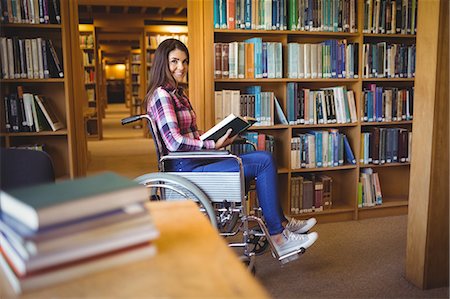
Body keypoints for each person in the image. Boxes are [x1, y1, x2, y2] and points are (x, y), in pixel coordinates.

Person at [145, 38, 318, 257]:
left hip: (197, 159)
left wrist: (218, 138)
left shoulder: (178, 94)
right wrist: (212, 144)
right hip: (186, 167)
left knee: (261, 157)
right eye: (175, 61)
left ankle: (280, 223)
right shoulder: (162, 95)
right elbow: (174, 142)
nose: (182, 67)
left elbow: (190, 135)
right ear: (163, 63)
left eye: (185, 61)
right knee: (263, 161)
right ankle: (278, 234)